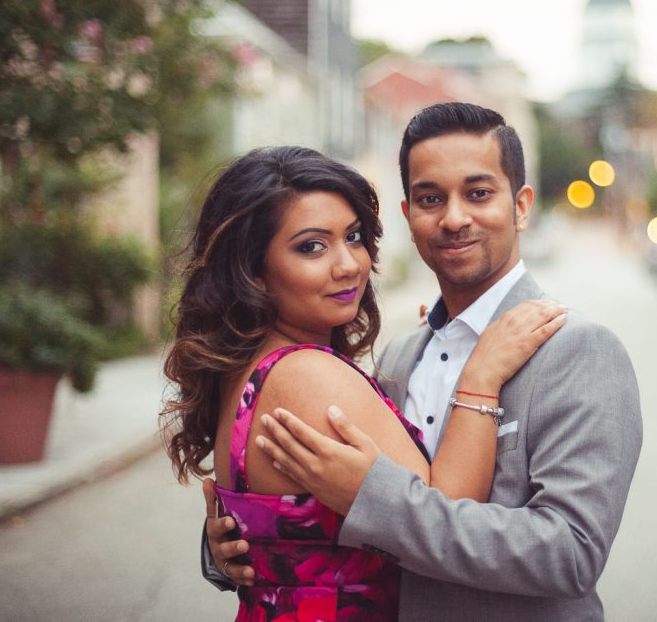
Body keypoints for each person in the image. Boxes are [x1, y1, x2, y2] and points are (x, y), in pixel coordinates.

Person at [205, 103, 643, 620]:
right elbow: (309, 518)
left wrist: (374, 497)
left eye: (478, 194)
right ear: (408, 215)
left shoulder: (578, 350)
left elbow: (570, 555)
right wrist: (228, 547)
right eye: (430, 198)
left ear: (522, 206)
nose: (455, 218)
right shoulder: (399, 355)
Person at [162, 145, 566, 621]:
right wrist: (480, 374)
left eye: (353, 237)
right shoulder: (306, 375)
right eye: (311, 246)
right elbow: (443, 517)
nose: (349, 264)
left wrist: (221, 552)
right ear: (254, 272)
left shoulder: (250, 369)